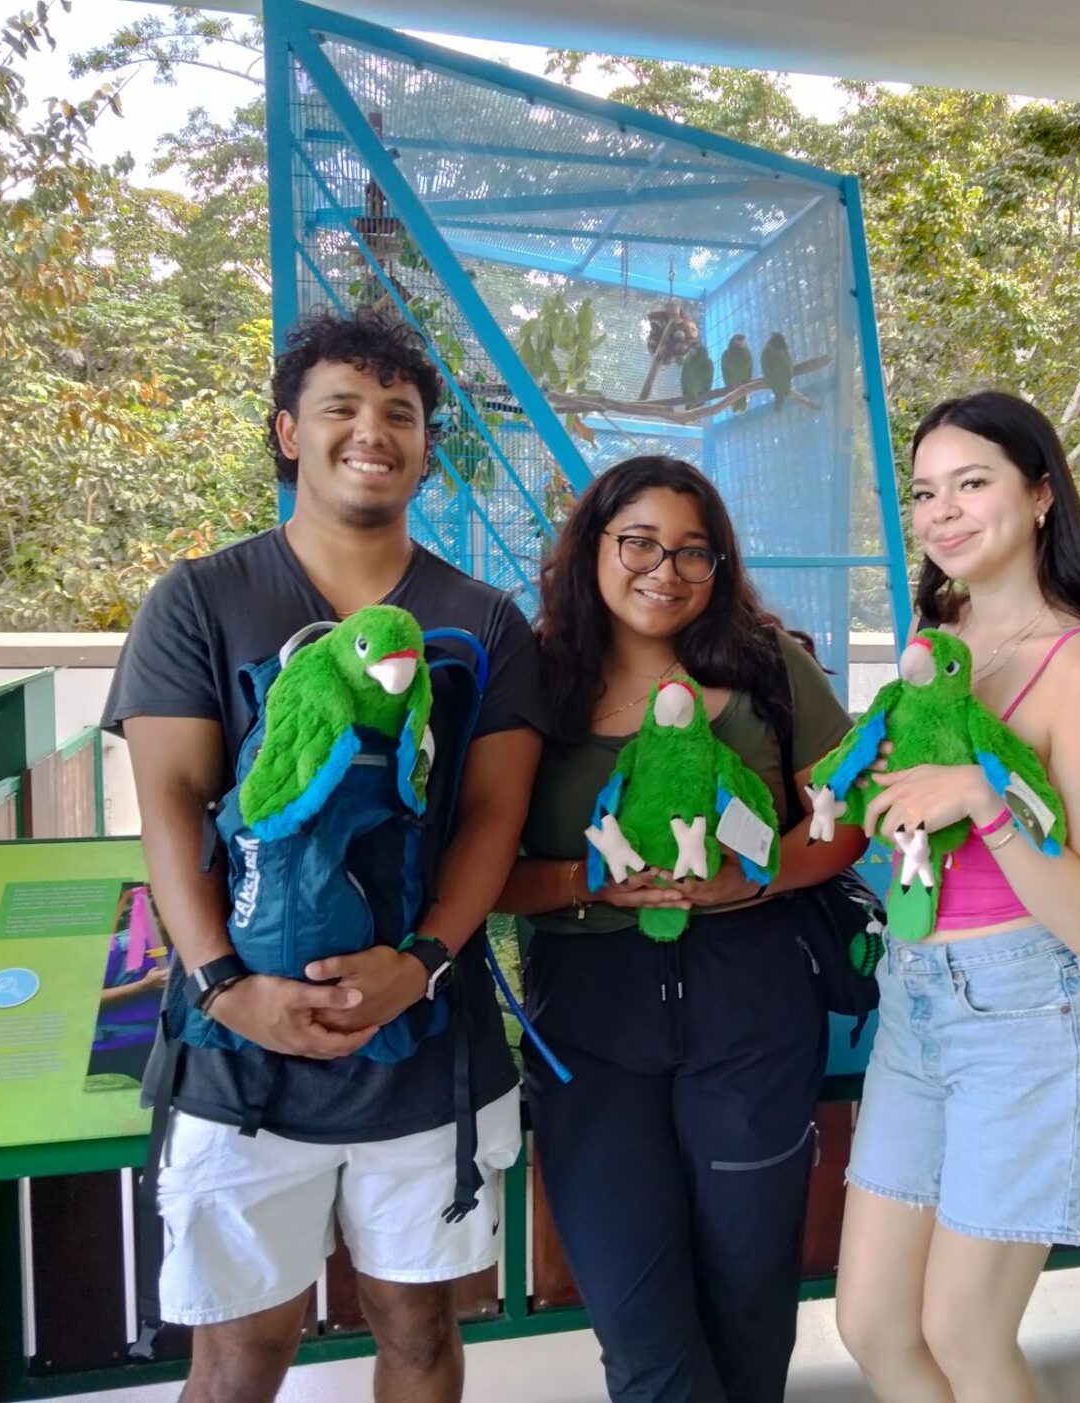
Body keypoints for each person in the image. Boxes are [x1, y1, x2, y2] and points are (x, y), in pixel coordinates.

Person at [103, 309, 543, 1403]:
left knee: (421, 1327)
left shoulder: (481, 620)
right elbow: (170, 800)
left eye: (400, 413)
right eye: (342, 406)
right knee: (241, 1346)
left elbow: (490, 816)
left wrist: (424, 960)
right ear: (288, 432)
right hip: (239, 1049)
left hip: (424, 1039)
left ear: (427, 447)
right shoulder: (202, 600)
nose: (373, 431)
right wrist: (224, 983)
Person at [496, 455, 869, 1402]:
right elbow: (480, 874)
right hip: (590, 1025)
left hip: (751, 1014)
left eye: (692, 552)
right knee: (645, 1331)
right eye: (640, 543)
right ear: (592, 548)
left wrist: (752, 878)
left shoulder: (768, 669)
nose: (664, 570)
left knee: (747, 1319)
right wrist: (591, 884)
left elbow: (849, 817)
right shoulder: (532, 681)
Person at [834, 391, 1080, 1403]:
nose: (944, 511)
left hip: (1027, 1012)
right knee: (873, 1323)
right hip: (916, 997)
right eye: (927, 491)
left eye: (973, 483)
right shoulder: (939, 629)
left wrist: (985, 801)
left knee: (964, 1332)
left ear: (1040, 494)